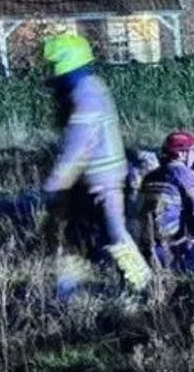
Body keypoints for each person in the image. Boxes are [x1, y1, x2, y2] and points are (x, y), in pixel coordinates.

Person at [40, 33, 152, 293]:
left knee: (113, 235)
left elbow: (78, 146)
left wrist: (55, 183)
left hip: (99, 180)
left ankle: (141, 284)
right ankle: (132, 285)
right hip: (103, 176)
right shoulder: (94, 86)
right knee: (102, 234)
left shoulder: (83, 95)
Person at [137, 131, 194, 271]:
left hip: (150, 243)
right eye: (193, 152)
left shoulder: (150, 176)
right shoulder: (185, 174)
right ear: (181, 153)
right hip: (174, 245)